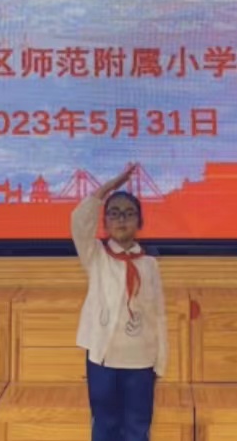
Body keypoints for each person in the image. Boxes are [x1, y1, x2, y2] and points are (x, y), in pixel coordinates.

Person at [71, 163, 167, 441]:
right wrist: (109, 187)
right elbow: (79, 220)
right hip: (103, 357)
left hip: (141, 359)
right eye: (114, 213)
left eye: (129, 213)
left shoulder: (149, 264)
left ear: (140, 222)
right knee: (104, 425)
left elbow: (158, 315)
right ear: (105, 222)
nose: (121, 219)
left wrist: (160, 362)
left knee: (137, 427)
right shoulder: (96, 257)